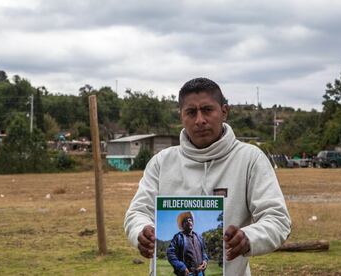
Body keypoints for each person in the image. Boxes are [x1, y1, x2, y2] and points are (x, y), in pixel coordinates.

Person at [124, 77, 291, 275]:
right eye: (191, 112)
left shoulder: (250, 159)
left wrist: (248, 238)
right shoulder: (162, 162)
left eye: (207, 110)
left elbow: (277, 219)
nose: (200, 120)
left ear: (224, 112)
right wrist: (141, 232)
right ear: (181, 116)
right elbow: (137, 213)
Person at [167, 212, 208, 276]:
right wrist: (181, 267)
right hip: (188, 273)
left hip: (200, 273)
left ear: (192, 223)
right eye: (186, 221)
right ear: (182, 225)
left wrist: (205, 260)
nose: (188, 221)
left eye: (190, 220)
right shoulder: (178, 237)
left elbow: (203, 252)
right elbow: (170, 253)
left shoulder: (199, 237)